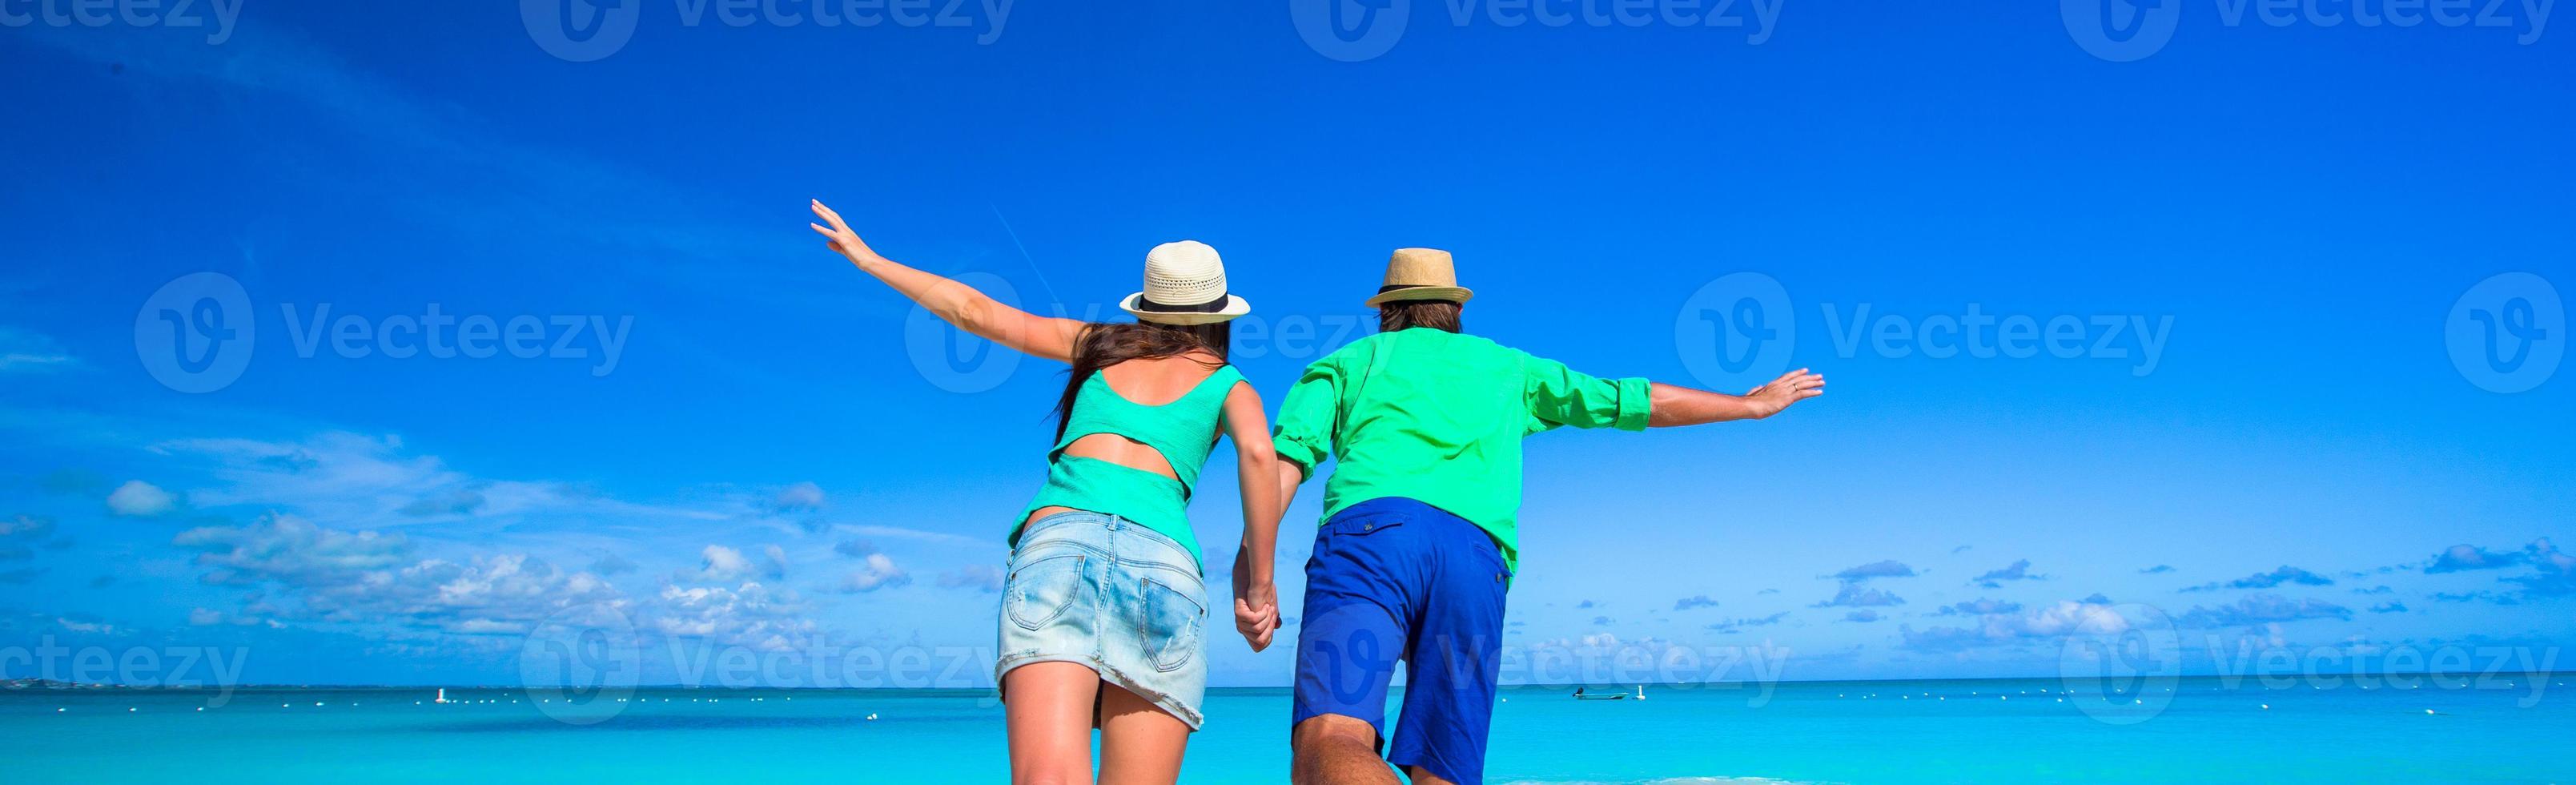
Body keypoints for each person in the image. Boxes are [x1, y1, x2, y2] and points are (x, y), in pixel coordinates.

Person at [1268, 248, 1827, 785]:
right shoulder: (1508, 367)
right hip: (1474, 554)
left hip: (1373, 541)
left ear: (1385, 310)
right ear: (1456, 311)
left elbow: (1285, 461)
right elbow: (1626, 400)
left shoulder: (1343, 363)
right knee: (1443, 766)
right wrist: (1749, 405)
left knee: (1332, 736)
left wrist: (1255, 564)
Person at [808, 200, 1288, 785]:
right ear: (1221, 317)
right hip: (1162, 566)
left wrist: (872, 261)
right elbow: (1260, 456)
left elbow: (973, 311)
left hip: (1059, 547)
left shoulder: (1098, 344)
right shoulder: (1230, 384)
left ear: (1146, 305)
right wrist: (1259, 585)